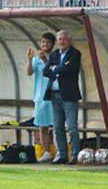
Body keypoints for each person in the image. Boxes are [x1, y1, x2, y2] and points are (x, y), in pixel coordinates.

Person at [43, 30, 82, 165]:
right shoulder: (54, 54)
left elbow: (69, 69)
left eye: (64, 39)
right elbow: (45, 71)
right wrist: (57, 68)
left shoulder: (75, 54)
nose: (62, 42)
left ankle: (76, 155)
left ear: (69, 40)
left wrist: (55, 69)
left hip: (69, 95)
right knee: (58, 127)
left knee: (72, 127)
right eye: (59, 39)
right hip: (54, 95)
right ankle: (62, 155)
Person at [26, 32, 56, 163]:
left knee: (56, 125)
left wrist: (45, 59)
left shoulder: (56, 56)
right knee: (42, 126)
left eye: (48, 42)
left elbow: (53, 72)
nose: (44, 45)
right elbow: (29, 72)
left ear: (52, 44)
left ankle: (59, 150)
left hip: (53, 94)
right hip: (40, 96)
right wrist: (29, 59)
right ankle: (46, 152)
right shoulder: (36, 58)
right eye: (43, 42)